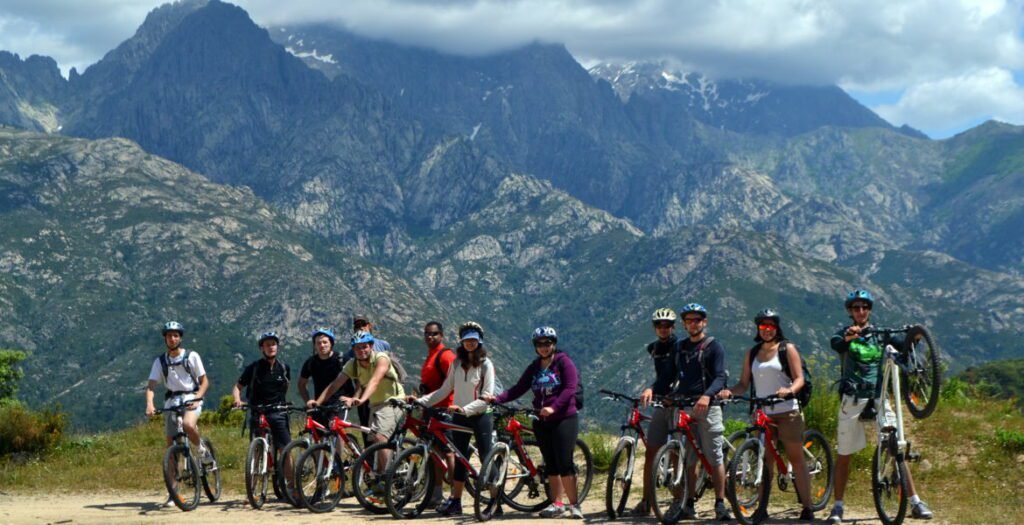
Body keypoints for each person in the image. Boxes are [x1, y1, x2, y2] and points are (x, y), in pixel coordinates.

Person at [826, 290, 933, 523]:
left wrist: (915, 336)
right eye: (856, 308)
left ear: (870, 310)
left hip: (879, 396)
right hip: (852, 397)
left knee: (897, 449)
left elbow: (904, 345)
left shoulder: (879, 334)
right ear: (850, 312)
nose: (861, 311)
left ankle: (915, 501)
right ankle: (838, 506)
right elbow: (836, 344)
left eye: (865, 307)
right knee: (844, 454)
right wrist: (849, 337)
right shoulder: (844, 333)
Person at [718, 309, 813, 520]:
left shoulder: (787, 349)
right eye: (763, 327)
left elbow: (799, 379)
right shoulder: (752, 353)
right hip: (764, 412)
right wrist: (729, 392)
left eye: (770, 326)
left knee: (796, 459)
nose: (767, 330)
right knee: (765, 461)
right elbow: (743, 384)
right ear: (758, 329)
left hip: (787, 411)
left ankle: (807, 506)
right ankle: (762, 508)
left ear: (776, 327)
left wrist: (789, 390)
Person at [483, 326, 583, 520]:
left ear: (554, 344)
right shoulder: (535, 366)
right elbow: (519, 388)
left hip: (564, 418)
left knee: (564, 463)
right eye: (540, 344)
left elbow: (570, 387)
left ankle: (574, 505)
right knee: (551, 464)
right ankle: (557, 504)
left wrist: (554, 407)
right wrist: (497, 399)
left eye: (547, 343)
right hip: (541, 419)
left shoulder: (564, 362)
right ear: (535, 346)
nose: (544, 347)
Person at [413, 322, 496, 516]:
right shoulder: (457, 363)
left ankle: (495, 500)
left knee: (486, 457)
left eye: (473, 340)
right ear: (461, 342)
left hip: (481, 415)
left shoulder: (486, 364)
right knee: (460, 458)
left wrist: (465, 408)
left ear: (479, 341)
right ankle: (456, 502)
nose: (469, 343)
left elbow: (487, 395)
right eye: (466, 340)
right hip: (460, 416)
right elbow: (444, 390)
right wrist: (421, 401)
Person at [658, 303, 731, 521]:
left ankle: (720, 503)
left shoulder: (713, 346)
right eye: (689, 320)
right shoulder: (680, 348)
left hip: (709, 408)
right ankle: (689, 504)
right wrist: (654, 390)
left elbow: (720, 377)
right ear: (684, 324)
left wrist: (707, 395)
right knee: (688, 458)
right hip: (685, 406)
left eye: (697, 320)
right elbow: (668, 376)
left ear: (704, 322)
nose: (693, 323)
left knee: (714, 455)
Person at [310, 331, 405, 467]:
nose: (361, 350)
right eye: (357, 348)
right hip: (375, 405)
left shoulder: (381, 358)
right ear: (353, 349)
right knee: (373, 442)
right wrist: (317, 402)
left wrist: (361, 399)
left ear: (371, 346)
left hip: (393, 402)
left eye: (364, 346)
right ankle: (379, 474)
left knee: (380, 438)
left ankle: (388, 476)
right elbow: (335, 384)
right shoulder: (353, 364)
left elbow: (374, 381)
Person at [145, 321, 212, 506]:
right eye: (169, 336)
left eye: (175, 335)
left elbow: (204, 381)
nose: (172, 338)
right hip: (172, 400)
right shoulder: (160, 361)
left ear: (180, 338)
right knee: (170, 447)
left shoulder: (191, 356)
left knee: (189, 425)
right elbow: (151, 385)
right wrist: (150, 404)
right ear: (165, 339)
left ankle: (201, 450)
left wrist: (198, 397)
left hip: (191, 396)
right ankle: (173, 492)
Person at [232, 331, 293, 487]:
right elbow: (237, 387)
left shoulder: (284, 368)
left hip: (278, 412)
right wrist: (238, 400)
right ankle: (252, 488)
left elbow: (286, 387)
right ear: (262, 348)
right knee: (257, 451)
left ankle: (293, 487)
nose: (271, 347)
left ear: (277, 347)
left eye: (273, 344)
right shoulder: (254, 368)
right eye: (267, 345)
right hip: (258, 412)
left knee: (285, 450)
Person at [634, 308, 680, 517]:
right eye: (659, 325)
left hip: (678, 401)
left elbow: (675, 374)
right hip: (661, 401)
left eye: (667, 325)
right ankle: (646, 501)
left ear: (673, 327)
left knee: (677, 452)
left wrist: (655, 388)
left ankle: (679, 501)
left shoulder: (679, 346)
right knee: (651, 451)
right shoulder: (653, 348)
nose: (663, 329)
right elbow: (661, 375)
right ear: (654, 328)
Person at [418, 321, 457, 510]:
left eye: (433, 334)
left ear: (441, 335)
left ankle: (454, 496)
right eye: (427, 334)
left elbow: (454, 381)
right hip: (430, 409)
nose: (429, 337)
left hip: (444, 410)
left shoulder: (445, 355)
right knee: (434, 452)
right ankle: (436, 494)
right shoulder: (431, 355)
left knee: (449, 451)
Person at [298, 328, 350, 427]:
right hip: (319, 404)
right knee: (320, 435)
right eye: (318, 343)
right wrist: (307, 400)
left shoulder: (342, 359)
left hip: (339, 404)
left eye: (325, 342)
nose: (322, 345)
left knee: (336, 430)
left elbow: (358, 380)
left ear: (331, 343)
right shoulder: (311, 362)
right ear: (315, 346)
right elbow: (301, 384)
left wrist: (353, 397)